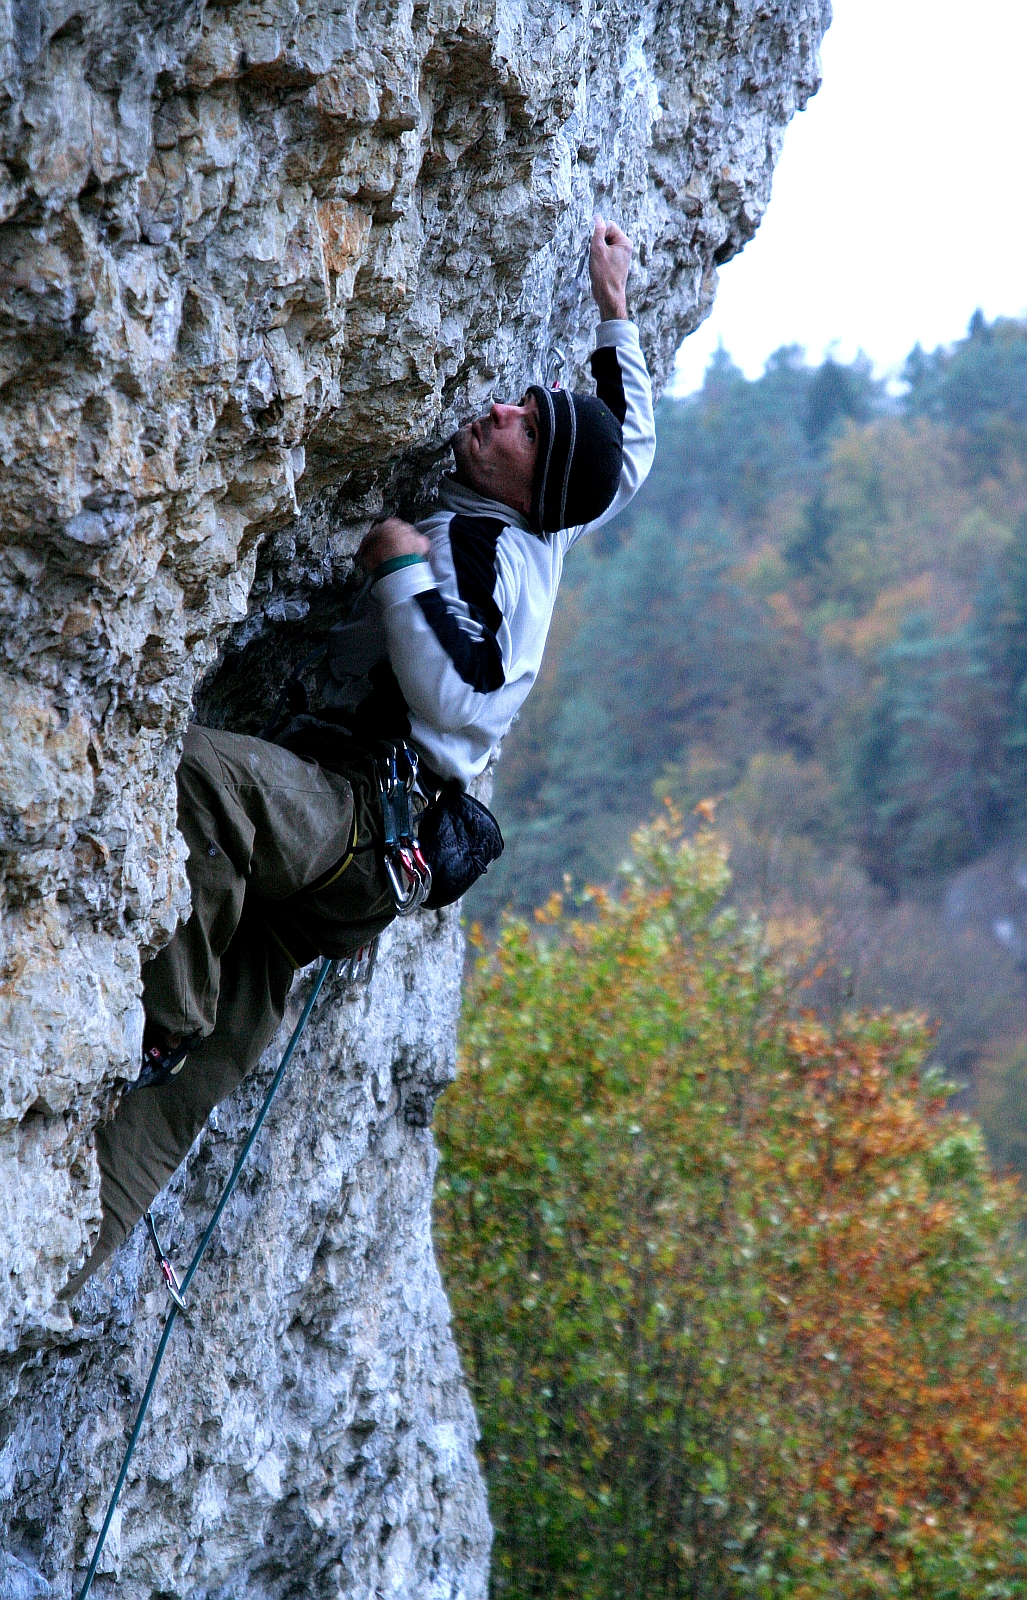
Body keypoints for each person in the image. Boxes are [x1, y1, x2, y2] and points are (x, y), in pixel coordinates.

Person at [68, 216, 655, 1292]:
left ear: (531, 484)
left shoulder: (485, 553)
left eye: (521, 424)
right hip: (363, 862)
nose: (501, 409)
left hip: (354, 814)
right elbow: (626, 454)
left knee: (204, 781)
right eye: (518, 404)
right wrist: (612, 310)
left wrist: (399, 565)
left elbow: (468, 696)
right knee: (214, 1063)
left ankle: (162, 1021)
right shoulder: (559, 505)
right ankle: (55, 1259)